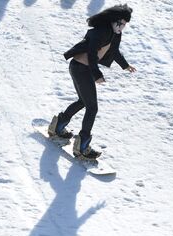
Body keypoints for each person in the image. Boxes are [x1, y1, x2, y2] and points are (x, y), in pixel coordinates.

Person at [48, 4, 136, 159]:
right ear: (113, 20)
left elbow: (113, 51)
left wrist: (125, 65)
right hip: (81, 68)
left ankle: (58, 126)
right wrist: (96, 74)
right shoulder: (101, 31)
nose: (122, 27)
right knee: (92, 107)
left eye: (124, 25)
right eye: (120, 23)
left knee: (84, 101)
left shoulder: (114, 33)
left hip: (81, 68)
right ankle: (82, 146)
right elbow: (91, 53)